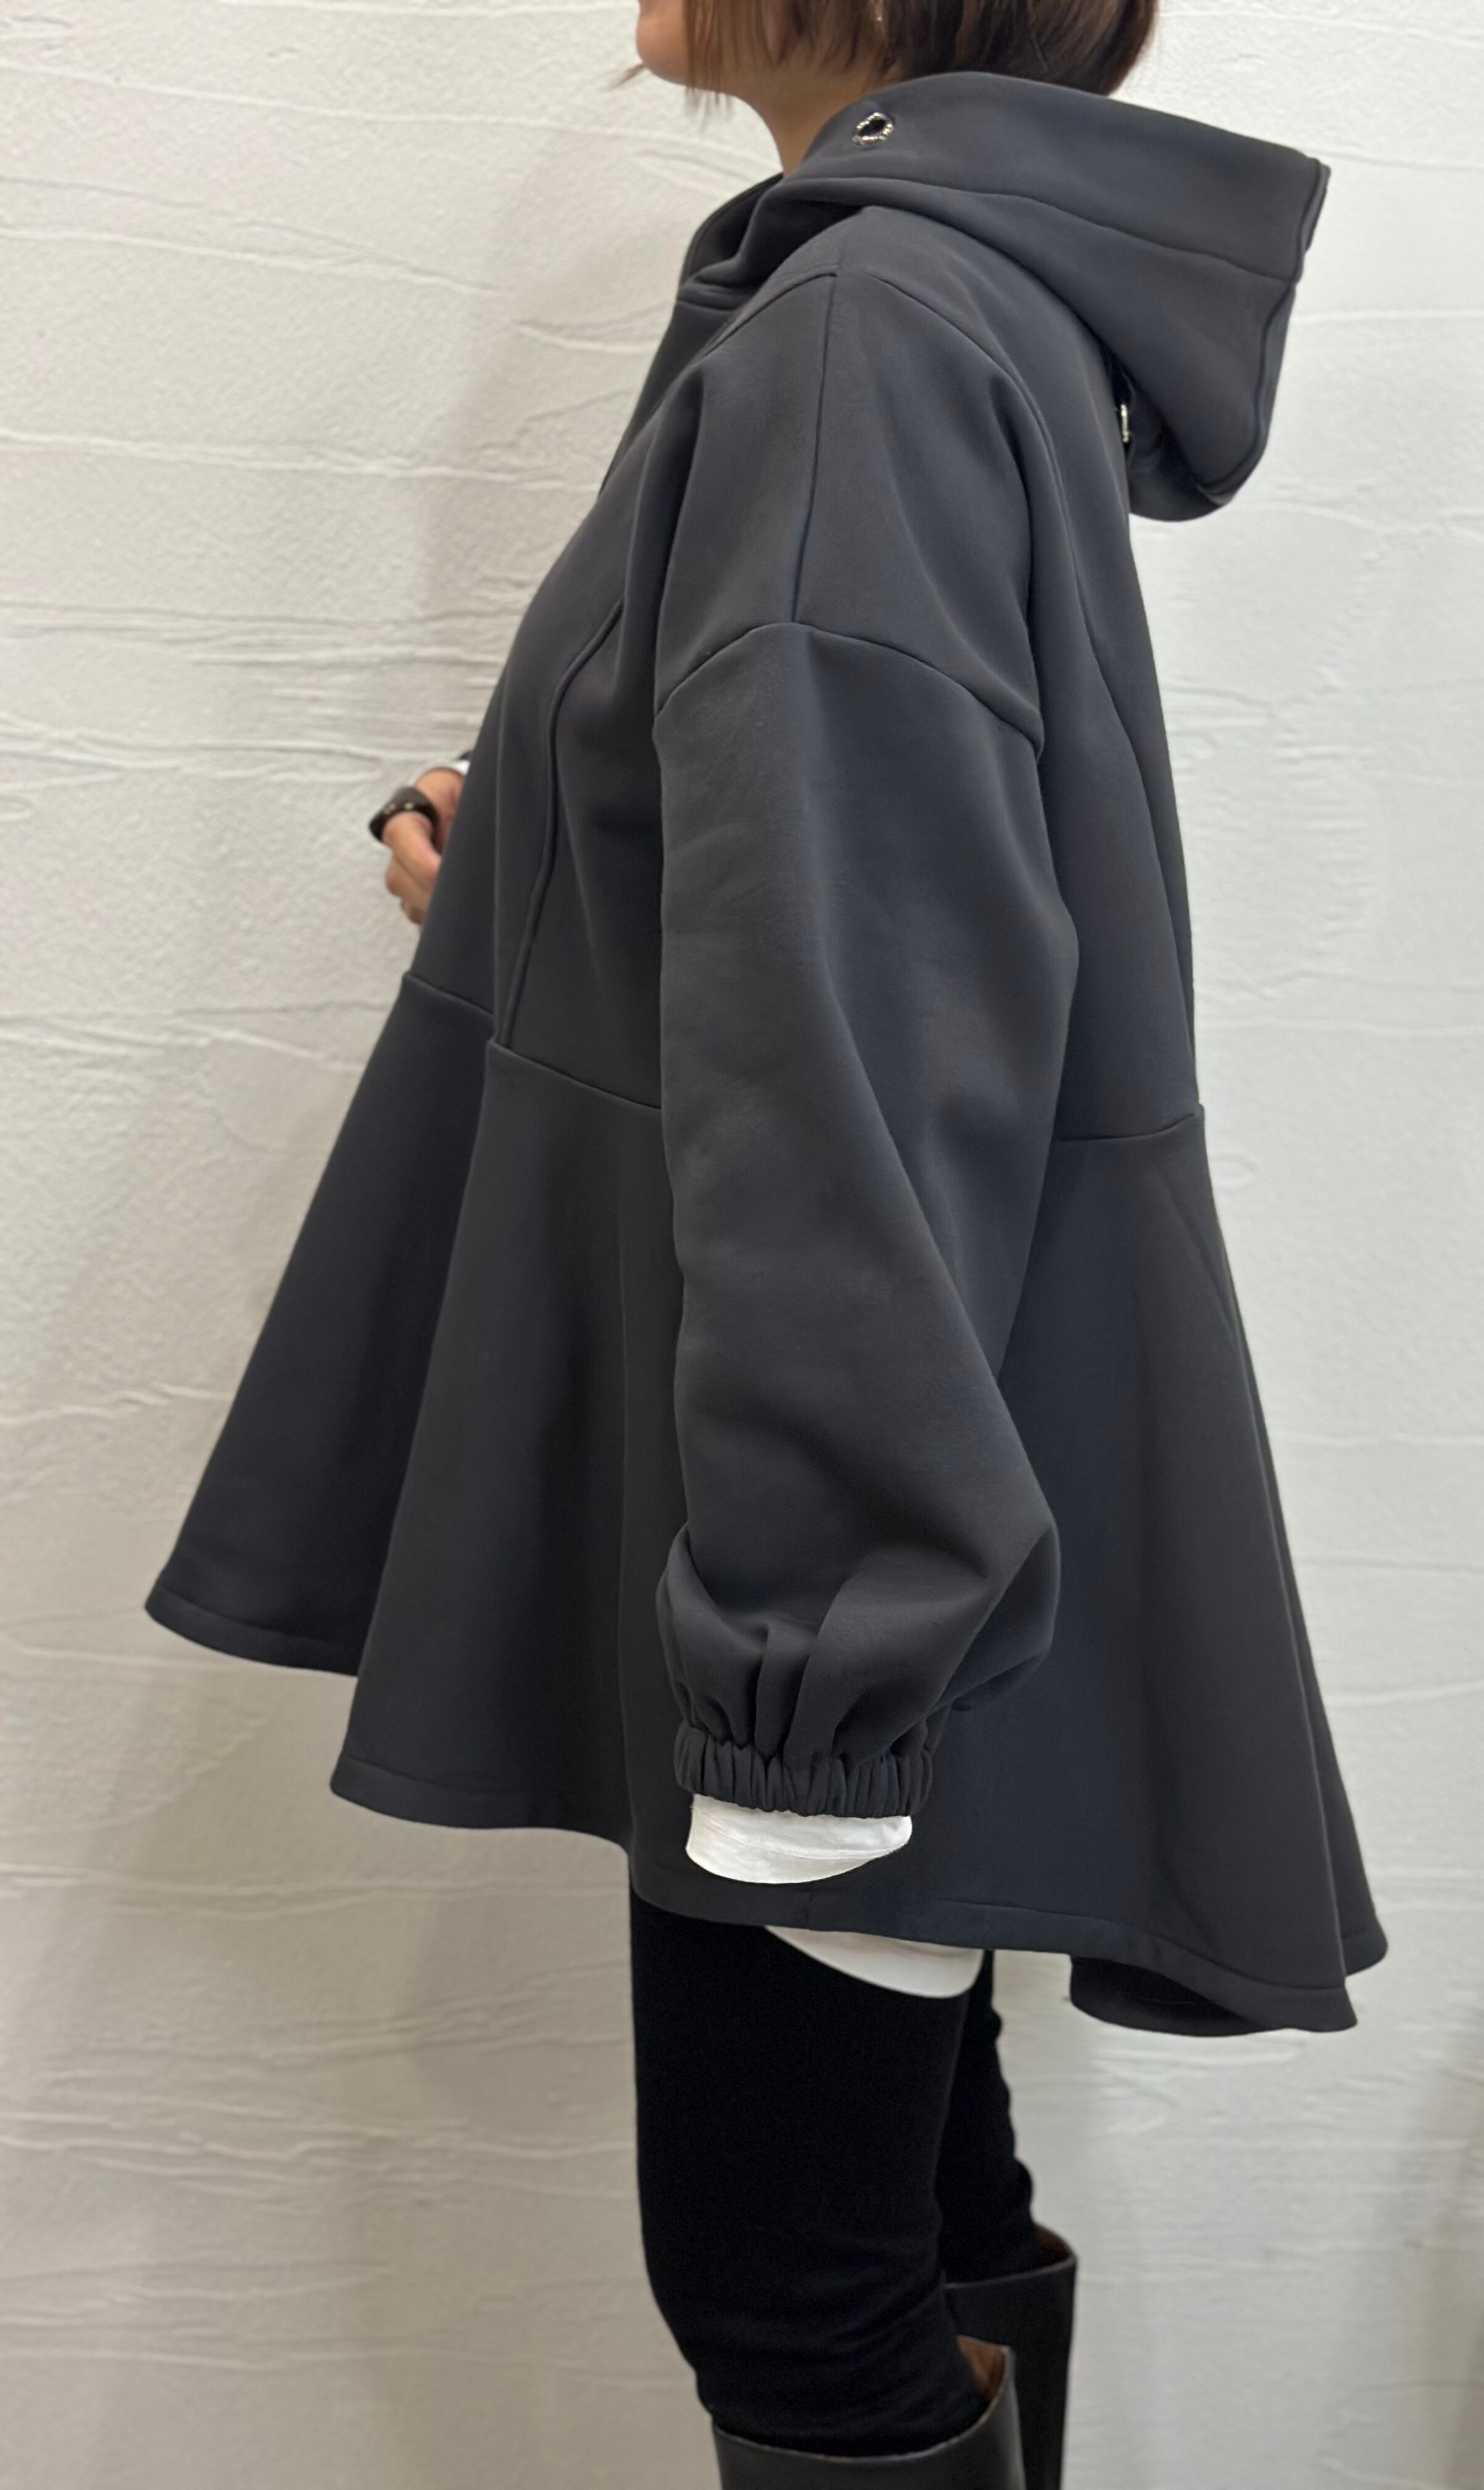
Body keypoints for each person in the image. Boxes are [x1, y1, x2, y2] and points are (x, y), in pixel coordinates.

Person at [145, 0, 1387, 2479]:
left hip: (865, 1535)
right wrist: (546, 848)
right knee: (904, 2216)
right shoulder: (925, 298)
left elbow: (851, 1067)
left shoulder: (862, 331)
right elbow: (874, 917)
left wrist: (822, 1675)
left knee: (796, 2298)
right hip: (927, 1457)